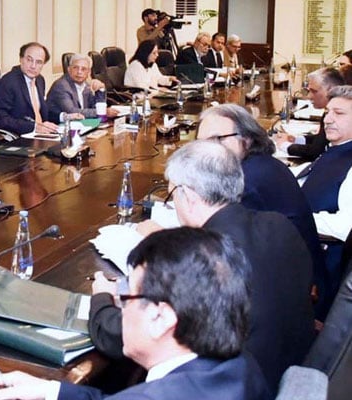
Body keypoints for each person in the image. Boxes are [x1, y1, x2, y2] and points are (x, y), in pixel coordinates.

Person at [92, 141, 314, 393]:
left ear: (189, 196)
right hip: (288, 371)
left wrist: (100, 299)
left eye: (172, 194)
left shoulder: (208, 261)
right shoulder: (278, 224)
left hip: (232, 387)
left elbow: (123, 336)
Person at [0, 227, 272, 400]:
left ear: (161, 318)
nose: (121, 306)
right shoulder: (242, 368)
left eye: (127, 296)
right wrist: (50, 391)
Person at [197, 104, 328, 318]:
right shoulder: (262, 166)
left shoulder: (248, 182)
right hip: (293, 283)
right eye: (202, 143)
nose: (208, 150)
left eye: (218, 139)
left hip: (294, 303)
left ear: (246, 139)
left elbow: (221, 253)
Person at [299, 85, 352, 302]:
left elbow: (344, 227)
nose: (327, 120)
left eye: (338, 114)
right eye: (327, 112)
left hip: (322, 275)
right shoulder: (336, 149)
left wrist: (292, 215)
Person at [274, 67, 344, 161]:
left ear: (331, 90)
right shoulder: (331, 110)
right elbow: (322, 140)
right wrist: (296, 139)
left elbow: (316, 151)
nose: (309, 96)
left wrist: (284, 145)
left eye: (314, 91)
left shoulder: (339, 115)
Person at [0, 42, 58, 134]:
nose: (33, 66)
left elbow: (39, 112)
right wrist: (33, 127)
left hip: (38, 135)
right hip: (16, 138)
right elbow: (0, 119)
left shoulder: (39, 80)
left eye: (39, 62)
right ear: (21, 59)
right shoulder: (8, 82)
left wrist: (64, 116)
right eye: (29, 60)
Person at [46, 53, 118, 123]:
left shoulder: (86, 85)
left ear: (89, 72)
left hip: (81, 125)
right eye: (75, 68)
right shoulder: (61, 86)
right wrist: (102, 112)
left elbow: (95, 107)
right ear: (69, 69)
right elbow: (72, 112)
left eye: (83, 69)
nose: (79, 72)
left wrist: (101, 89)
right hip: (59, 127)